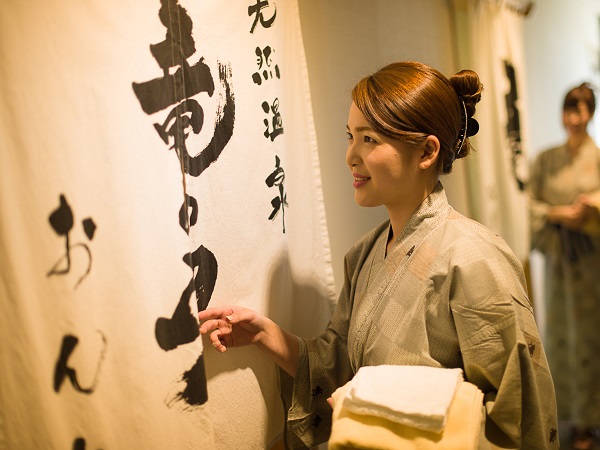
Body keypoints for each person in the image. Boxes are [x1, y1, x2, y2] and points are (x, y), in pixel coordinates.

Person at [199, 61, 559, 449]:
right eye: (350, 136)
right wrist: (266, 335)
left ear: (426, 151)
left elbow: (522, 414)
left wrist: (391, 414)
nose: (351, 155)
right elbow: (341, 366)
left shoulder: (474, 258)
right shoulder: (364, 254)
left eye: (369, 139)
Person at [528, 82, 600, 450]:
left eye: (585, 109)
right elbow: (531, 205)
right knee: (559, 337)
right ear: (562, 113)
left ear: (592, 114)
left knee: (591, 338)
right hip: (559, 265)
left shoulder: (598, 157)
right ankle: (566, 416)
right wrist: (558, 212)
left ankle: (590, 422)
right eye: (571, 109)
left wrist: (590, 210)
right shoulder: (545, 160)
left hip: (592, 266)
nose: (577, 117)